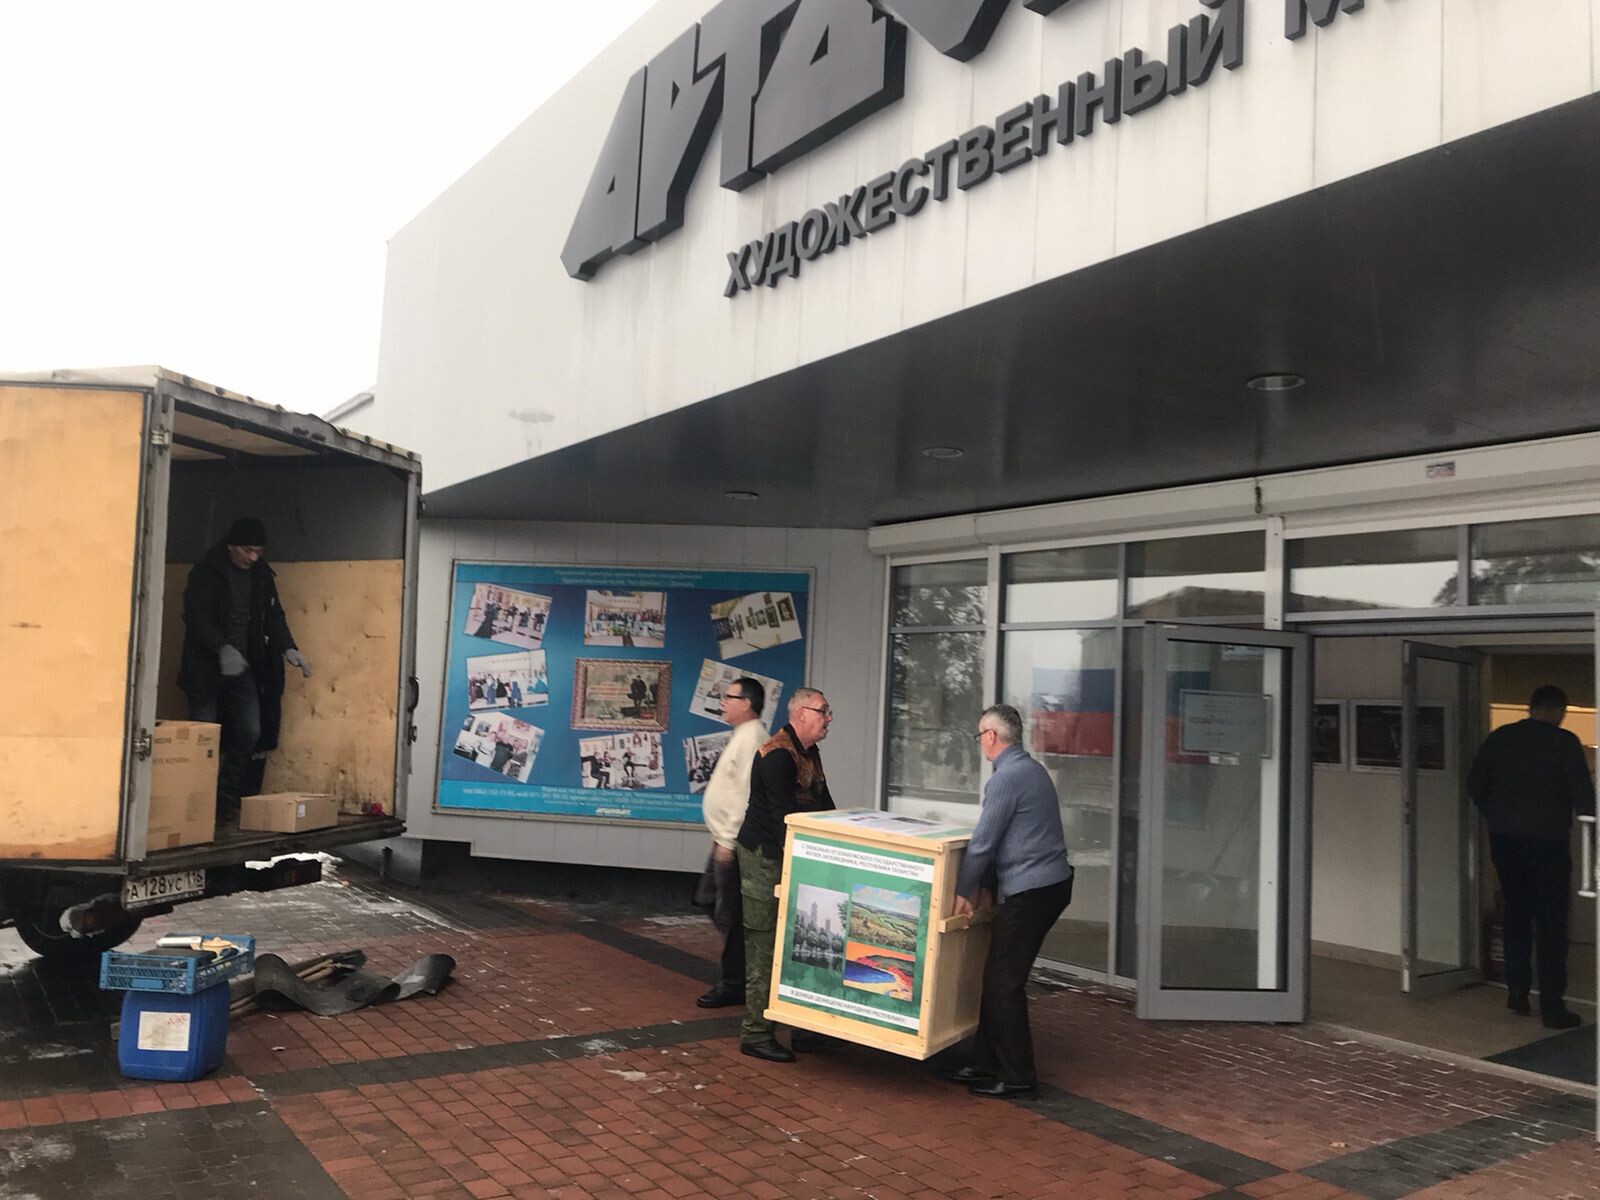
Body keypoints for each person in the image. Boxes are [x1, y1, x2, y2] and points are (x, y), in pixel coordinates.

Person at [941, 704, 1073, 1099]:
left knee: (1003, 981)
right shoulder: (1032, 770)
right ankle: (983, 1063)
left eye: (980, 736)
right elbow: (1004, 839)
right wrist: (986, 886)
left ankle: (1018, 1077)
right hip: (1051, 886)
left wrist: (963, 891)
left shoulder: (1005, 780)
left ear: (991, 737)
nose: (980, 742)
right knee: (998, 976)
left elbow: (983, 843)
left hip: (1031, 892)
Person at [1467, 685, 1595, 1029]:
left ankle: (1517, 993)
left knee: (1517, 916)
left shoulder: (1501, 738)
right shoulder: (1564, 742)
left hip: (1506, 841)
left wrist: (1497, 815)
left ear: (1531, 706)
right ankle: (1552, 1006)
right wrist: (1591, 836)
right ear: (1558, 710)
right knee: (1552, 924)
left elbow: (1475, 784)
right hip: (1548, 843)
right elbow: (1583, 796)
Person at [178, 517, 312, 820]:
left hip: (243, 668)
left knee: (251, 732)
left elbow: (274, 616)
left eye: (258, 551)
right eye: (248, 550)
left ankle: (225, 797)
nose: (253, 557)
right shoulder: (206, 572)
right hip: (204, 670)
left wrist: (289, 648)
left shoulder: (262, 574)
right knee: (203, 738)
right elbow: (196, 617)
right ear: (231, 546)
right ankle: (197, 806)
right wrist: (221, 648)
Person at [735, 688, 836, 1062]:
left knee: (804, 942)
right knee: (765, 945)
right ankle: (755, 1034)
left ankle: (805, 1030)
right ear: (801, 714)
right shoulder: (777, 755)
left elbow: (824, 806)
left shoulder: (809, 752)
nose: (829, 718)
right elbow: (782, 819)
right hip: (765, 858)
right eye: (824, 711)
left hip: (794, 857)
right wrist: (806, 862)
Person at [697, 677, 768, 1010]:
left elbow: (746, 796)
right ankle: (741, 970)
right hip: (723, 839)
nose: (722, 702)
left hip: (733, 843)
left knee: (730, 915)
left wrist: (727, 840)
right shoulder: (742, 734)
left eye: (729, 697)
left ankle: (735, 983)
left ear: (746, 704)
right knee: (709, 901)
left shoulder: (753, 738)